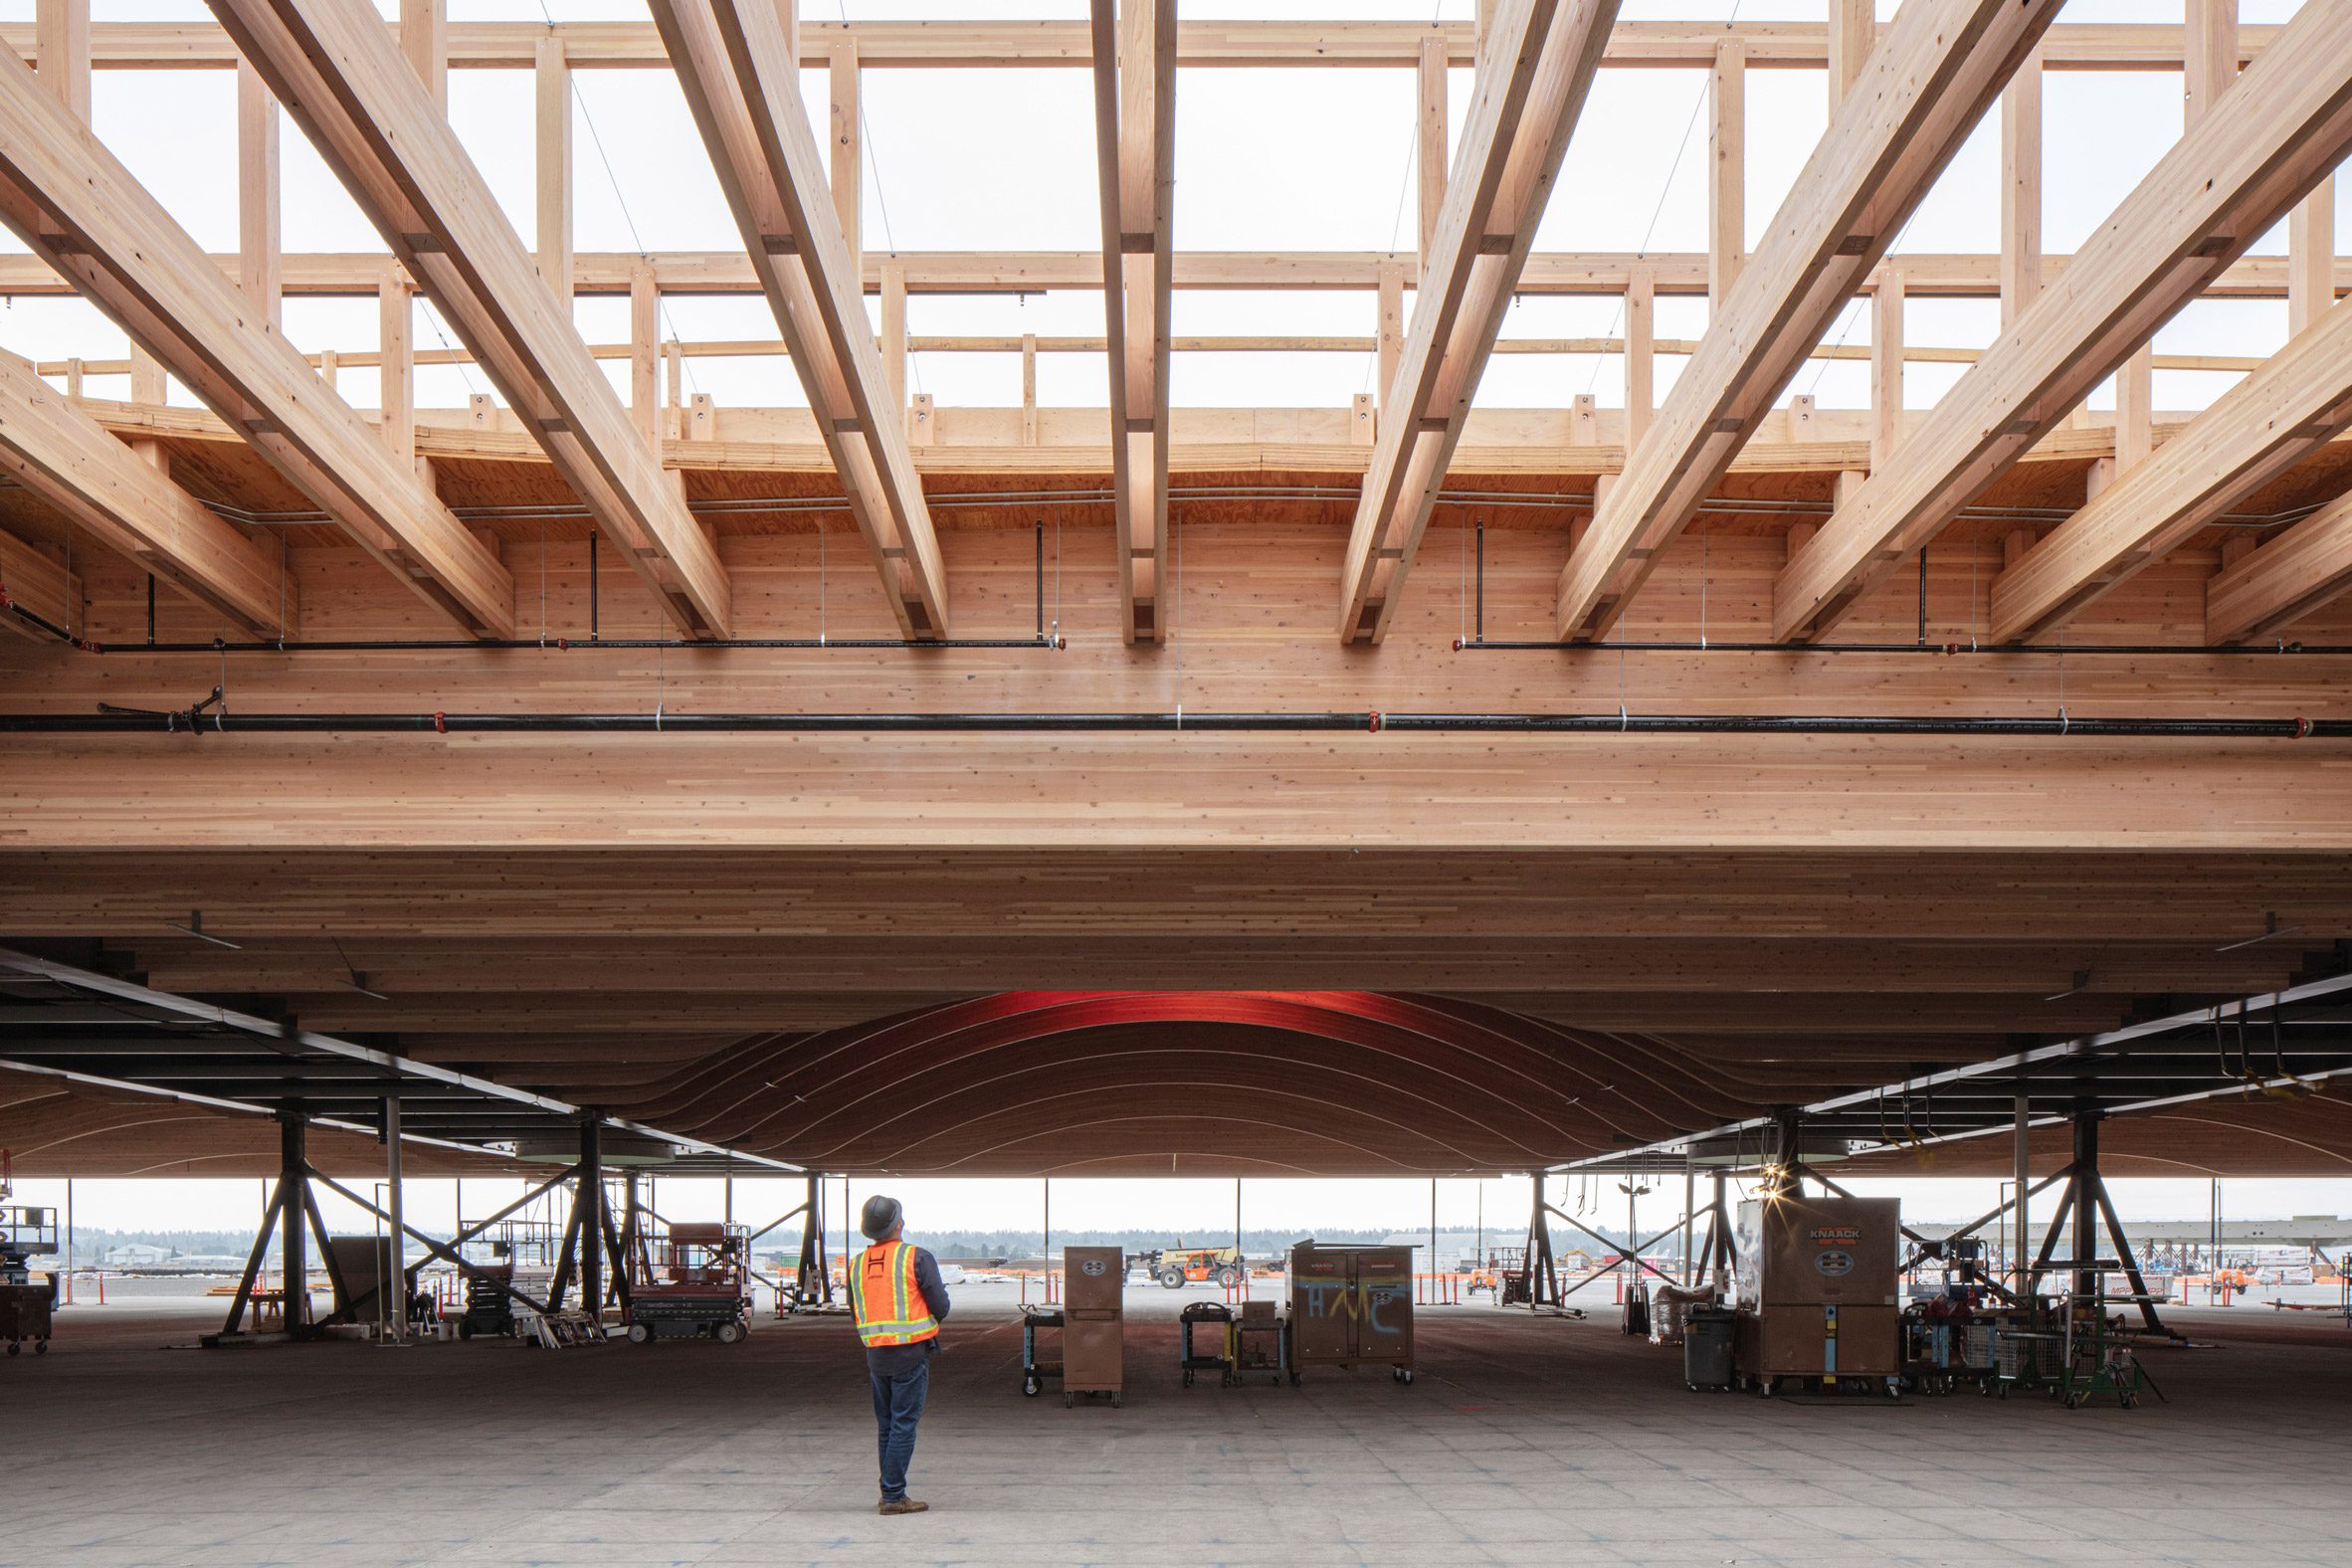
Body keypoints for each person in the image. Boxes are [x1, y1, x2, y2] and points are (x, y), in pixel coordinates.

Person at [847, 1194, 951, 1515]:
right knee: (904, 1424)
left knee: (887, 1425)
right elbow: (941, 1305)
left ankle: (889, 1490)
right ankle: (893, 1496)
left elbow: (856, 1310)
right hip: (910, 1353)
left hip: (876, 1355)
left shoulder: (857, 1264)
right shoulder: (915, 1257)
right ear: (899, 1224)